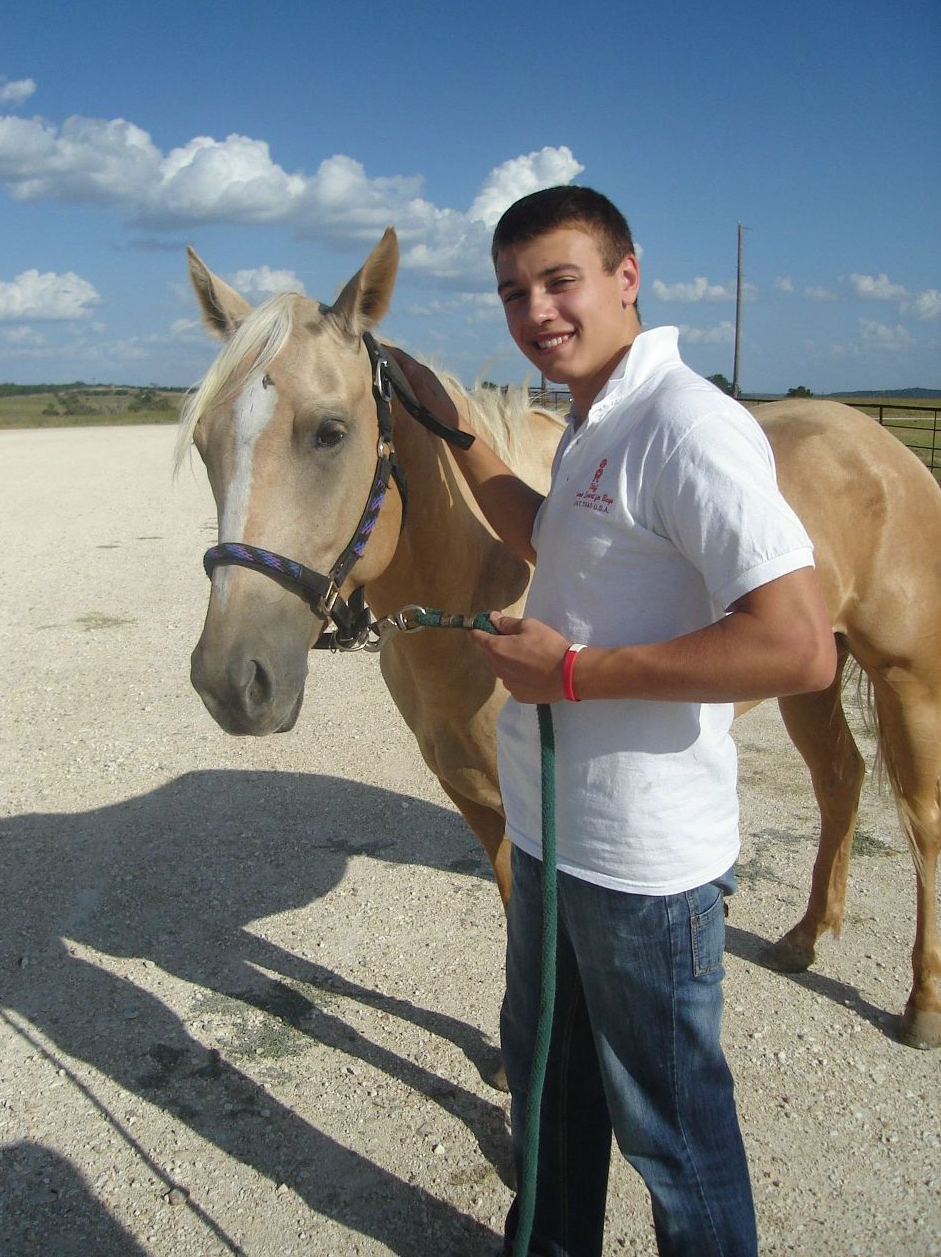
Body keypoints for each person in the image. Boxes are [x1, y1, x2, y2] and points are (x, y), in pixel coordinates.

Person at [391, 185, 836, 1257]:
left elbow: (797, 643)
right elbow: (551, 535)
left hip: (645, 870)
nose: (536, 309)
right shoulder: (597, 420)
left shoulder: (689, 424)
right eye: (512, 290)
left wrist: (574, 672)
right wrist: (455, 431)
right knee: (553, 1096)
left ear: (626, 279)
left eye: (559, 280)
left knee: (675, 1141)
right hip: (551, 842)